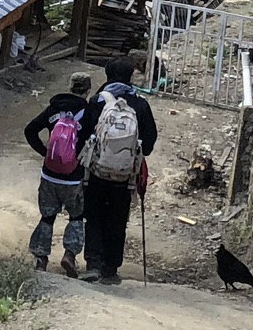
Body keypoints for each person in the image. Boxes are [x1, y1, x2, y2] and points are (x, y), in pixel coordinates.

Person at [79, 55, 159, 284]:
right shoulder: (141, 104)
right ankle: (110, 269)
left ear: (108, 75)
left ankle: (92, 263)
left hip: (96, 172)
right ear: (131, 77)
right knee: (117, 219)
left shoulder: (97, 101)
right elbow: (150, 142)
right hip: (125, 176)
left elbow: (83, 135)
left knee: (94, 217)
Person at [23, 69, 94, 277]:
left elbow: (29, 130)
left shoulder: (54, 109)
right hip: (74, 177)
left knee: (47, 216)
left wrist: (45, 153)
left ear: (70, 87)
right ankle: (69, 255)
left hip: (49, 174)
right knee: (76, 216)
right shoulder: (88, 113)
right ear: (87, 91)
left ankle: (41, 258)